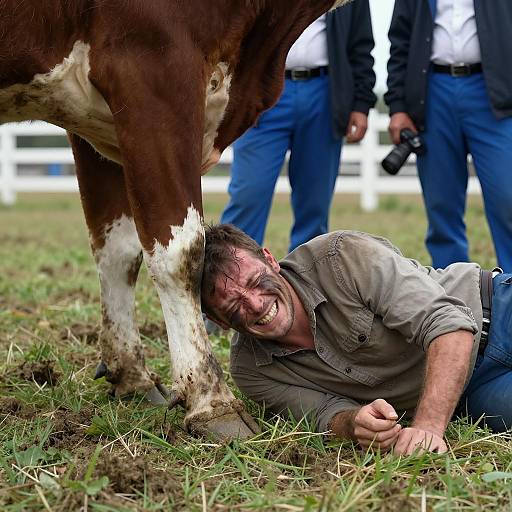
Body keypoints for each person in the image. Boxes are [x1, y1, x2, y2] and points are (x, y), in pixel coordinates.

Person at [201, 223, 512, 455]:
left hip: (494, 311)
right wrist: (353, 423)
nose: (256, 304)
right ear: (218, 321)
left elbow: (449, 323)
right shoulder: (251, 371)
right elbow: (325, 413)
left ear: (270, 259)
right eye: (233, 307)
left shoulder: (340, 256)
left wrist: (428, 427)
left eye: (256, 281)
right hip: (472, 396)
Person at [220, 4, 376, 253]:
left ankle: (306, 284)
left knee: (314, 204)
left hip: (324, 93)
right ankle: (233, 275)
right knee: (249, 194)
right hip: (264, 90)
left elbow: (361, 45)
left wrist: (360, 103)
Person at [385, 0, 512, 272]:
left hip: (495, 94)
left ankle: (510, 296)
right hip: (433, 93)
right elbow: (400, 38)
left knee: (508, 198)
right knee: (441, 206)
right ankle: (455, 299)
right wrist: (398, 105)